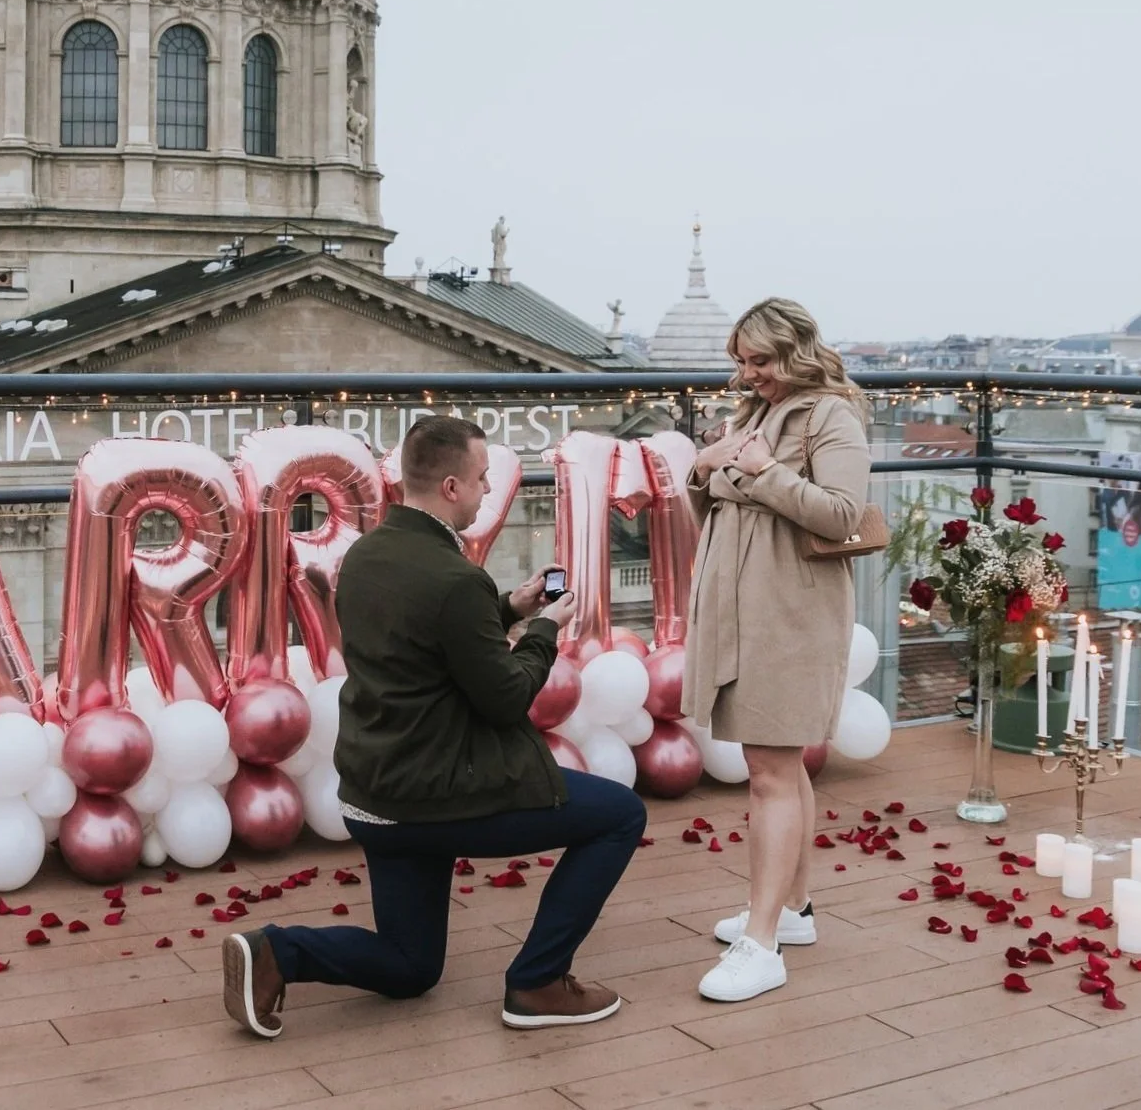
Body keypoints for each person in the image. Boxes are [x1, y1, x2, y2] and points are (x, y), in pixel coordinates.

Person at [223, 415, 648, 1038]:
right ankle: (538, 981)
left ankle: (276, 952)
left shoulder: (366, 554)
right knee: (619, 815)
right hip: (438, 793)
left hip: (374, 794)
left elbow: (423, 637)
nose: (483, 493)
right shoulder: (455, 578)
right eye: (480, 480)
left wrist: (505, 607)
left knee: (411, 966)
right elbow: (507, 699)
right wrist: (545, 630)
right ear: (450, 486)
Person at [684, 297, 871, 1003]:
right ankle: (792, 912)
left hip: (791, 611)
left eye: (758, 360)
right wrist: (702, 471)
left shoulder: (832, 414)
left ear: (794, 351)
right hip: (746, 608)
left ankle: (760, 942)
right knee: (782, 763)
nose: (746, 373)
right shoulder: (756, 414)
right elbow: (714, 513)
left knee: (768, 767)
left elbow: (844, 514)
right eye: (740, 360)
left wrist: (763, 472)